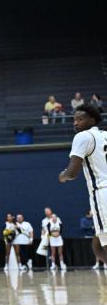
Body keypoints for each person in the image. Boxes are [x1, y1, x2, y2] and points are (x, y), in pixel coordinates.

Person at [58, 105, 107, 272]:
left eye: (80, 119)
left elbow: (72, 173)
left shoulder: (83, 137)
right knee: (97, 245)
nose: (76, 123)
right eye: (74, 120)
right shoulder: (105, 135)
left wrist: (62, 176)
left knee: (103, 246)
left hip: (102, 192)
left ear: (92, 120)